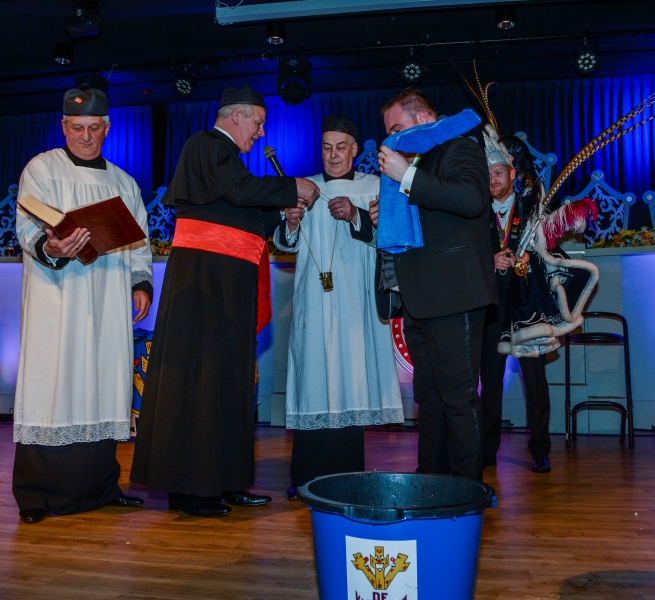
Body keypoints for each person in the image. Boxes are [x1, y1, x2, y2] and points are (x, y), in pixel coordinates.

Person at [130, 85, 320, 517]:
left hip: (228, 288)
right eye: (258, 122)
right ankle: (191, 491)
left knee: (231, 384)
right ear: (237, 116)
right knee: (199, 382)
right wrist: (292, 187)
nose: (260, 132)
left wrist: (281, 211)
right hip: (203, 286)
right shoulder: (206, 145)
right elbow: (238, 191)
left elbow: (240, 207)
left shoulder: (228, 162)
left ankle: (228, 481)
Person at [13, 86, 153, 524]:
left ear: (107, 128)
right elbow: (27, 227)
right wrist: (53, 246)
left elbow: (140, 243)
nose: (86, 136)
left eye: (94, 128)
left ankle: (101, 489)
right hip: (58, 297)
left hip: (108, 296)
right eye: (77, 128)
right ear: (63, 126)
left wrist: (141, 283)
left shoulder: (124, 183)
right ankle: (37, 496)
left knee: (103, 382)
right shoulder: (42, 169)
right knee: (53, 382)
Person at [274, 113, 403, 499]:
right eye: (327, 147)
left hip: (355, 304)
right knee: (314, 378)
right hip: (314, 303)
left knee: (350, 378)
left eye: (340, 147)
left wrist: (356, 215)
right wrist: (291, 222)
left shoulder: (373, 186)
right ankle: (305, 478)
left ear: (354, 150)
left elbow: (392, 238)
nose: (332, 155)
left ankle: (346, 479)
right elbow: (285, 243)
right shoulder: (305, 187)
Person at [377, 90, 497, 481]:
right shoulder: (418, 160)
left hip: (454, 294)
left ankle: (466, 491)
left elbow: (471, 199)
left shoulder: (458, 146)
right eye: (389, 132)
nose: (394, 138)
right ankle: (429, 484)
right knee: (428, 399)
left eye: (398, 128)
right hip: (419, 297)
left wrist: (407, 177)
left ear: (425, 117)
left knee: (459, 399)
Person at [480, 128, 552, 473]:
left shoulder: (531, 206)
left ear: (512, 174)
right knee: (490, 383)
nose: (493, 180)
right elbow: (467, 256)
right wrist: (490, 259)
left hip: (527, 305)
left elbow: (549, 252)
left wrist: (529, 258)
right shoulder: (476, 213)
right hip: (492, 307)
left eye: (498, 173)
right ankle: (486, 450)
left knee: (535, 380)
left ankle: (540, 450)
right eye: (487, 174)